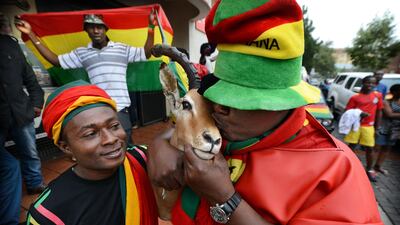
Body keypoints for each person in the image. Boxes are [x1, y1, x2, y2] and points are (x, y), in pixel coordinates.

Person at [148, 1, 383, 225]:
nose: (220, 106)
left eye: (244, 98)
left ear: (284, 101)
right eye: (219, 91)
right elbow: (182, 123)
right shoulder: (219, 123)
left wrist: (224, 198)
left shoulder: (336, 171)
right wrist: (162, 143)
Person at [26, 80, 158, 225]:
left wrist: (164, 143)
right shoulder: (48, 213)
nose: (111, 139)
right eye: (90, 134)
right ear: (66, 147)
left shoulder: (140, 159)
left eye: (114, 126)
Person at [15, 10, 158, 143]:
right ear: (86, 30)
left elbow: (145, 53)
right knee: (106, 151)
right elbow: (56, 61)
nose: (96, 30)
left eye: (99, 27)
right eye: (91, 27)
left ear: (105, 29)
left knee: (125, 147)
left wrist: (151, 26)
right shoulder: (82, 53)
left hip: (120, 110)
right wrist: (31, 34)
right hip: (99, 108)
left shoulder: (122, 49)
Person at [0, 13, 45, 225]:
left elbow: (30, 79)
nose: (3, 19)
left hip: (20, 111)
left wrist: (36, 103)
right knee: (6, 165)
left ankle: (35, 183)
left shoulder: (13, 45)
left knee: (30, 150)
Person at [344, 76, 383, 182]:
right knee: (352, 147)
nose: (370, 85)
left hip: (369, 126)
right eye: (368, 83)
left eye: (373, 83)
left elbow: (379, 111)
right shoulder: (355, 97)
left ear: (376, 84)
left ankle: (369, 169)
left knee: (370, 148)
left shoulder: (377, 96)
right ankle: (347, 168)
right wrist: (359, 114)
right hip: (356, 126)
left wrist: (377, 127)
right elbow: (347, 111)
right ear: (363, 83)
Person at [374, 84, 400, 175]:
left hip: (395, 130)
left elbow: (393, 114)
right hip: (384, 128)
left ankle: (378, 166)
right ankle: (371, 167)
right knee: (377, 148)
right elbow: (389, 114)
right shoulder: (386, 102)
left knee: (387, 148)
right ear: (394, 92)